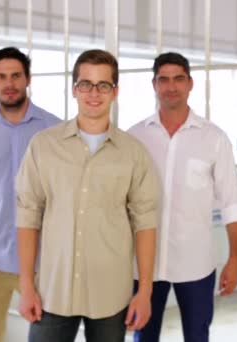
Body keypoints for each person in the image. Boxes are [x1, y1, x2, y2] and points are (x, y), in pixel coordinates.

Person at [16, 49, 158, 342]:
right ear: (73, 89)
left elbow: (145, 224)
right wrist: (27, 285)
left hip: (111, 294)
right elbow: (28, 215)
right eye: (85, 84)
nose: (94, 93)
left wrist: (144, 292)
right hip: (52, 292)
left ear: (115, 91)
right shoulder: (43, 146)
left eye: (103, 85)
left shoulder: (133, 153)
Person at [128, 52, 237, 342]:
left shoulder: (214, 138)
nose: (171, 87)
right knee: (143, 337)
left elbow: (232, 202)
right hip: (144, 265)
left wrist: (234, 258)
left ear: (190, 83)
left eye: (178, 79)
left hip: (196, 264)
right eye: (164, 79)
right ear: (154, 84)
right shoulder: (134, 137)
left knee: (197, 336)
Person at [0, 46, 61, 342]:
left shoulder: (53, 129)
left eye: (16, 75)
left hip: (45, 261)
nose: (9, 83)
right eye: (1, 76)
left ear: (28, 79)